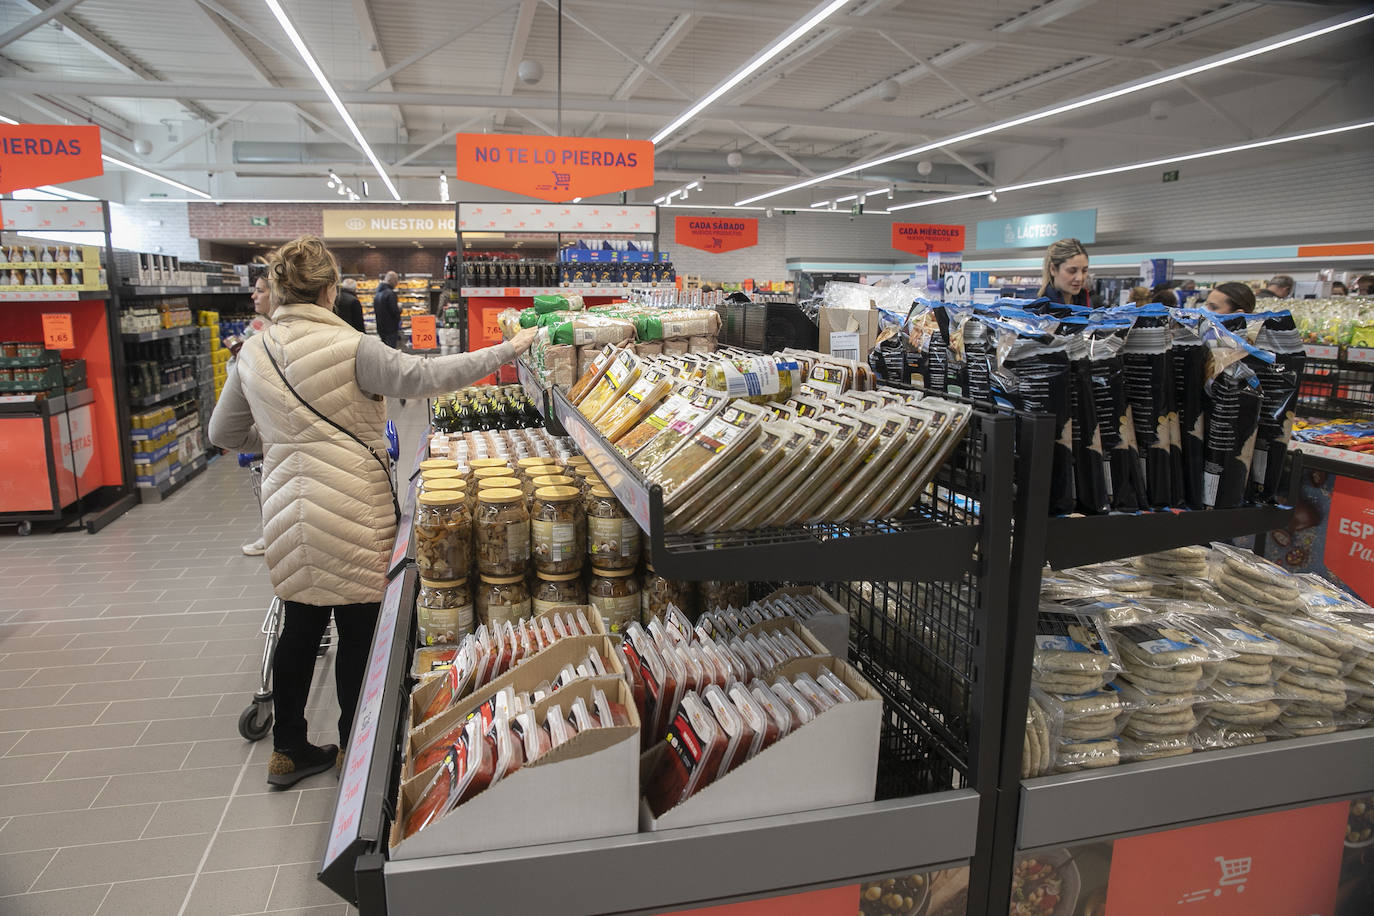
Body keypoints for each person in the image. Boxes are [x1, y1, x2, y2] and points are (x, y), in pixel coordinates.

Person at [208, 236, 541, 788]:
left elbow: (223, 433)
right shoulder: (353, 348)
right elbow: (430, 376)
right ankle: (352, 749)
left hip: (287, 509)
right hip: (353, 507)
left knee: (299, 625)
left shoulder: (253, 351)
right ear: (329, 290)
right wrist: (508, 350)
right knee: (358, 630)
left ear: (281, 291)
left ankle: (287, 749)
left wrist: (284, 441)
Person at [1037, 238, 1090, 307]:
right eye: (1072, 271)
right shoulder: (1040, 310)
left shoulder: (1086, 303)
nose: (1080, 278)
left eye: (1084, 271)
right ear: (1053, 269)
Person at [373, 270, 401, 347]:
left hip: (381, 328)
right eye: (396, 281)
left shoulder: (377, 293)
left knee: (384, 350)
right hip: (390, 329)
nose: (396, 283)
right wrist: (399, 309)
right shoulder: (390, 294)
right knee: (390, 351)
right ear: (391, 280)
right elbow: (394, 311)